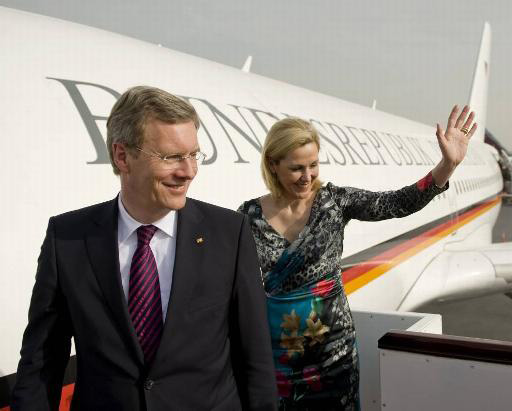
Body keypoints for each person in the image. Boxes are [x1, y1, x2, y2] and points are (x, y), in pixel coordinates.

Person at [11, 86, 277, 410]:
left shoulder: (229, 234)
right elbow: (42, 361)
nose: (188, 171)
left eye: (193, 154)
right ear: (122, 156)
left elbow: (256, 357)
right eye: (171, 157)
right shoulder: (67, 238)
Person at [237, 106, 476, 410]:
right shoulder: (248, 216)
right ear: (273, 165)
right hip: (276, 357)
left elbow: (397, 203)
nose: (307, 176)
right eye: (297, 168)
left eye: (313, 165)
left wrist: (447, 165)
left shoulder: (335, 201)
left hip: (334, 354)